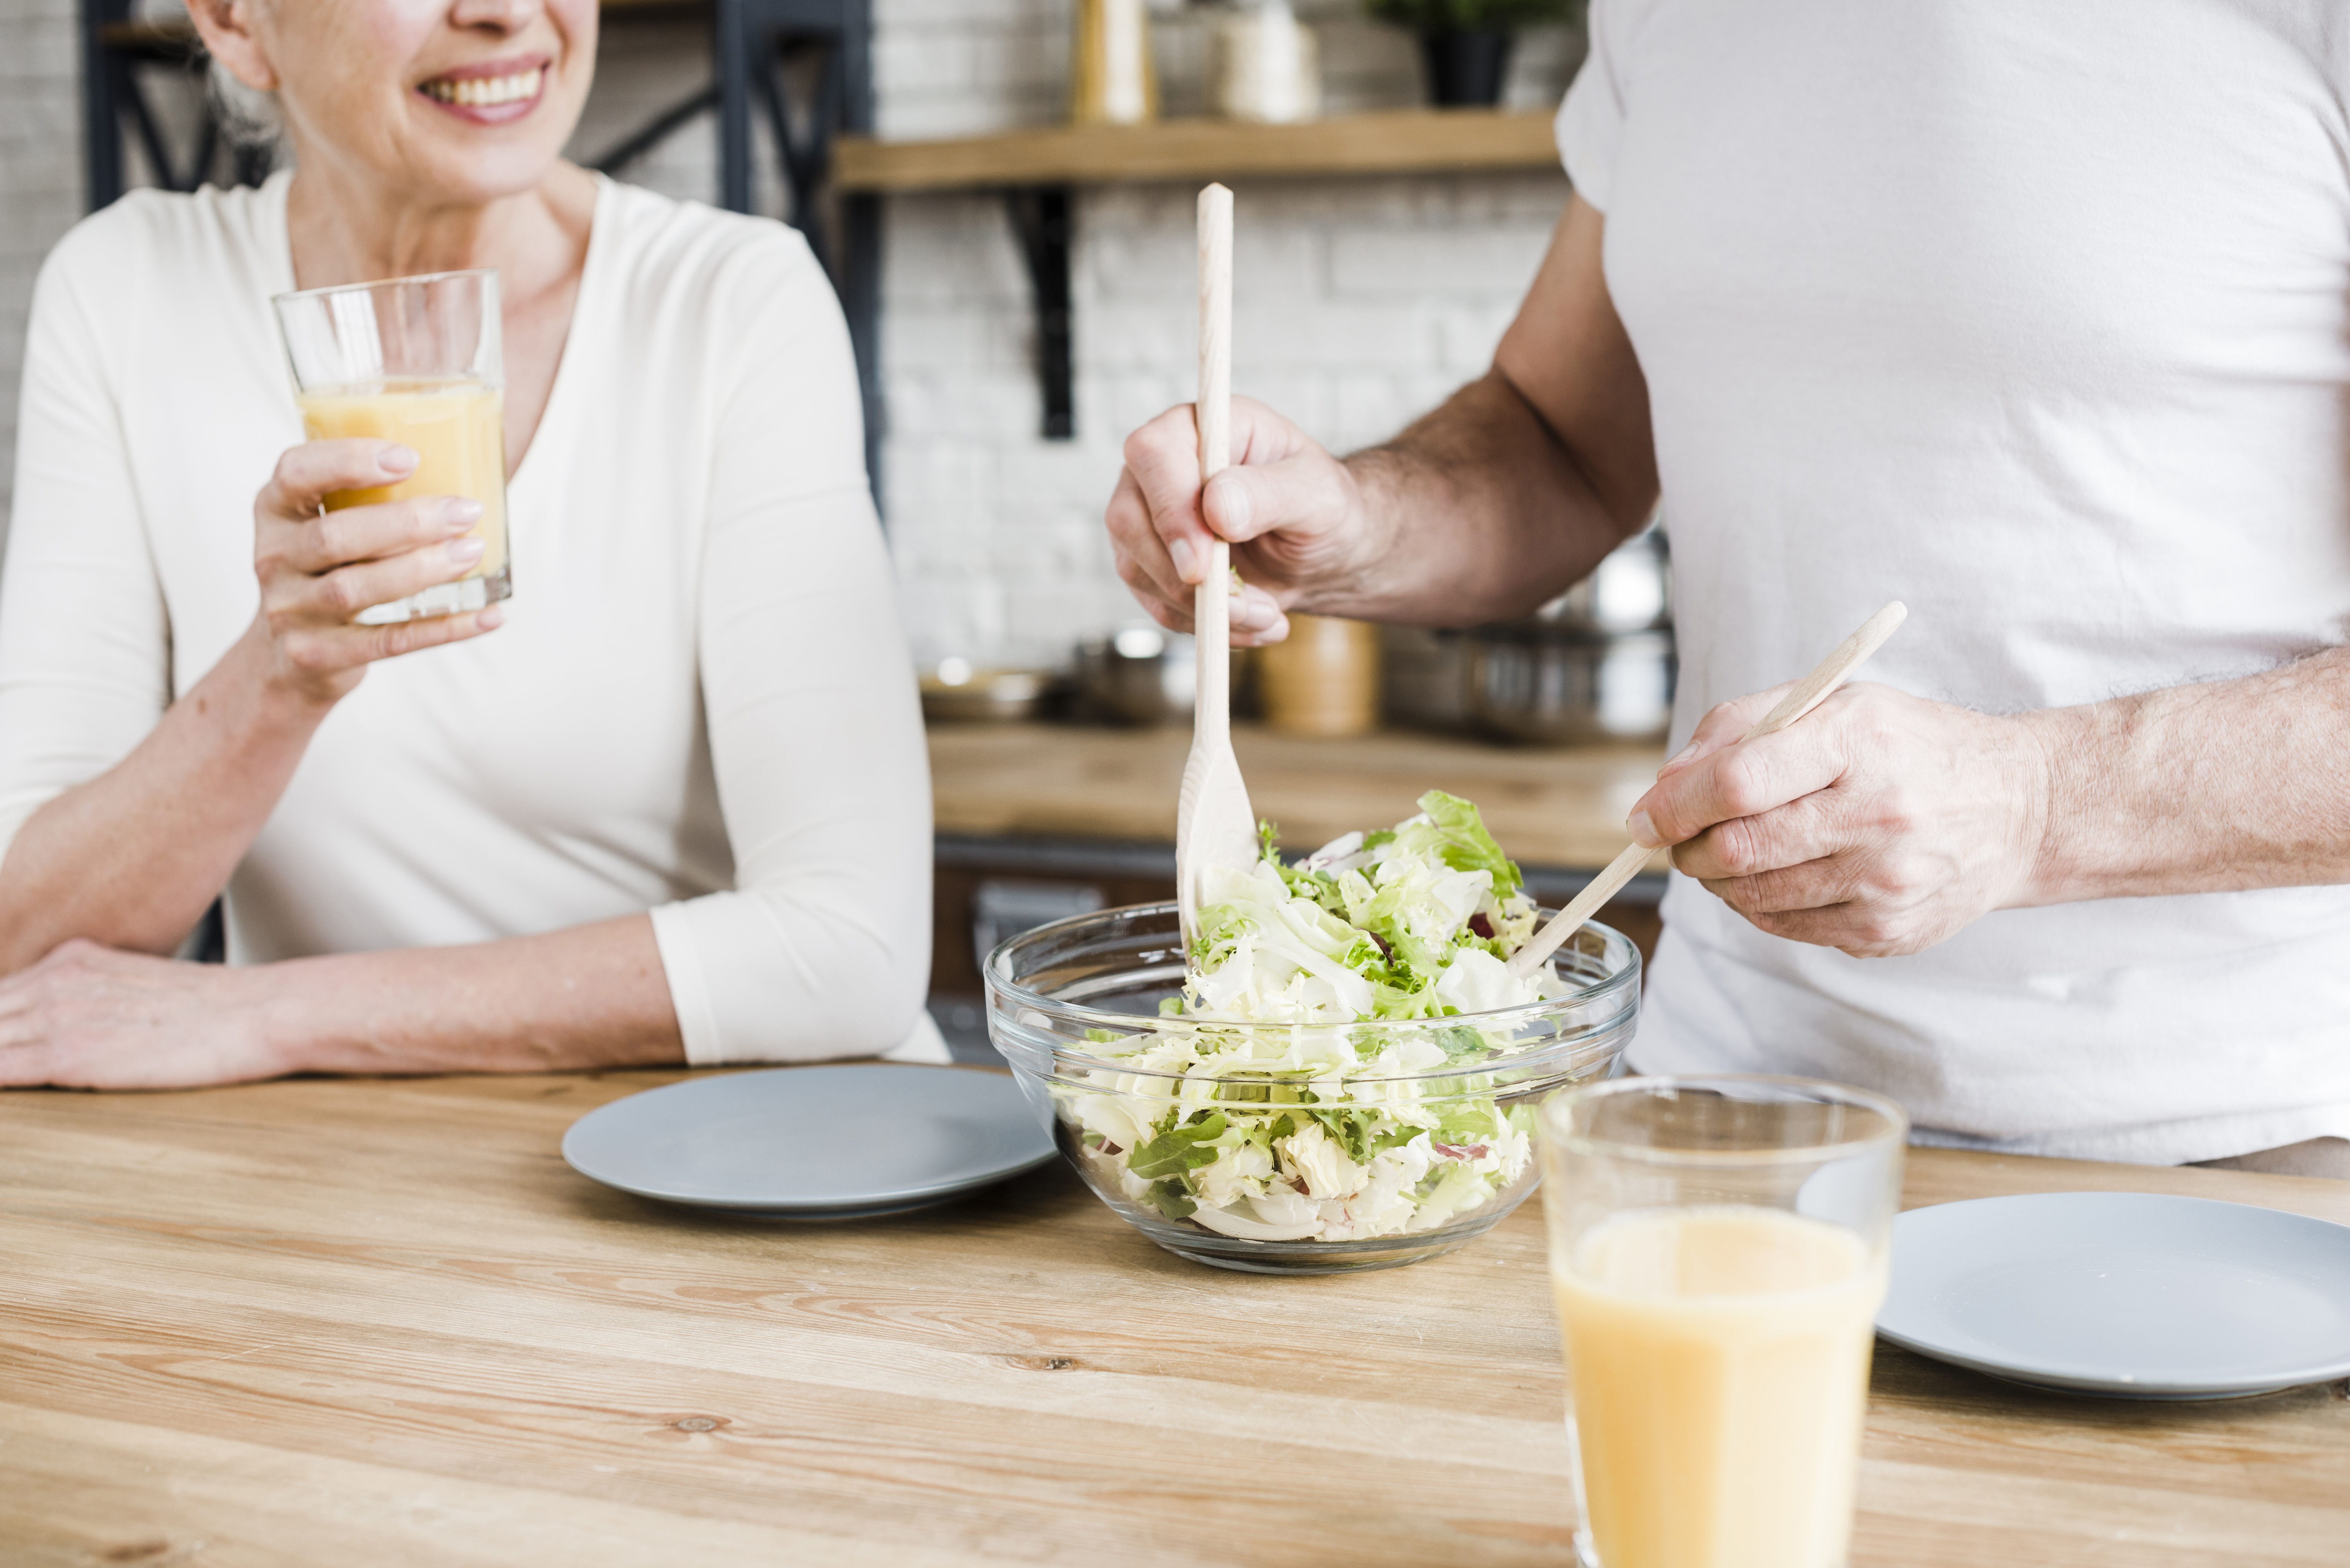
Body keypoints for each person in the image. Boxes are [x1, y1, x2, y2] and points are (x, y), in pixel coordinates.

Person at [1106, 0, 2350, 1176]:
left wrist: (2030, 803)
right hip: (1715, 1107)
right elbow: (1561, 435)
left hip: (2242, 1137)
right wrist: (1359, 520)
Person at [0, 0, 938, 1088]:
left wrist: (271, 1016)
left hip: (739, 1181)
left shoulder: (729, 304)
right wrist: (278, 680)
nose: (503, 12)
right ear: (235, 22)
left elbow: (852, 949)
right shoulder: (127, 295)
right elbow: (33, 950)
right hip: (361, 1194)